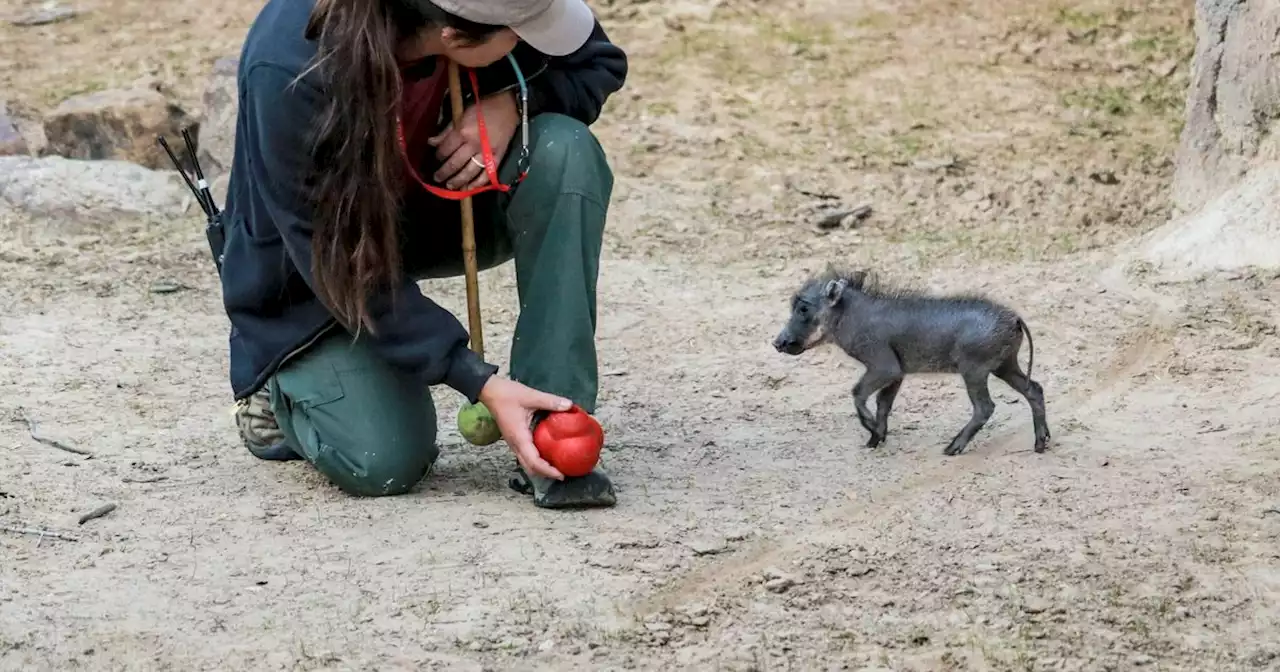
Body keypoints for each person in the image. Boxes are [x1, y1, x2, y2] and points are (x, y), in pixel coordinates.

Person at [220, 0, 627, 509]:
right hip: (323, 260)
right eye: (519, 35)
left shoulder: (496, 7)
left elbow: (599, 60)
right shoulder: (291, 66)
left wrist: (516, 103)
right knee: (383, 460)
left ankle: (555, 423)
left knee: (565, 150)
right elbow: (342, 264)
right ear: (454, 37)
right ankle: (278, 390)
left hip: (440, 208)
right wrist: (475, 378)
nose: (531, 43)